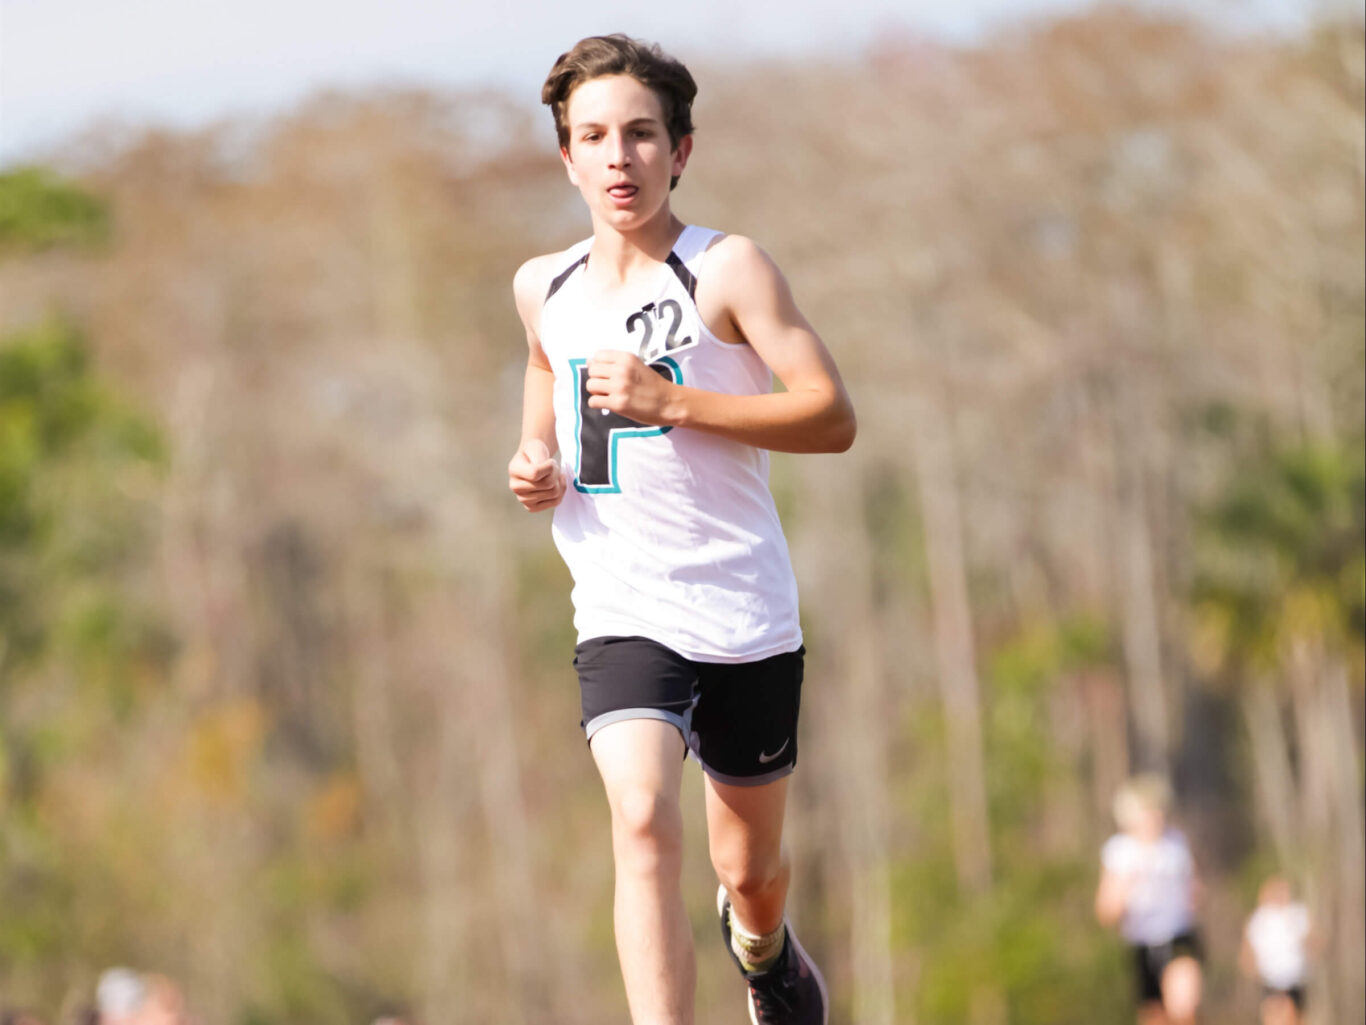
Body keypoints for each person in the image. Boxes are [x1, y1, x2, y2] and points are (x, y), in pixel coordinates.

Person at [507, 33, 855, 1025]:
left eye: (642, 135)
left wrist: (677, 406)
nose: (619, 158)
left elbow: (830, 415)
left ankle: (764, 949)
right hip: (622, 604)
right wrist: (537, 458)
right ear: (566, 157)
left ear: (682, 149)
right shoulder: (545, 284)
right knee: (642, 818)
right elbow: (544, 363)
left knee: (750, 870)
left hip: (742, 607)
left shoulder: (726, 270)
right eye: (594, 138)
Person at [1095, 774, 1205, 1025]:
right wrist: (1123, 890)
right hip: (1142, 942)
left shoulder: (1176, 844)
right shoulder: (1120, 852)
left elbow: (1195, 888)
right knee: (1155, 1017)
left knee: (1184, 1006)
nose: (1155, 817)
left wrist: (1194, 895)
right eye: (1147, 811)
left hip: (1178, 936)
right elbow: (1105, 912)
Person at [1240, 875, 1313, 1025]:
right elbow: (1246, 956)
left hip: (1295, 981)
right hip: (1272, 982)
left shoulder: (1297, 914)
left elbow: (1314, 941)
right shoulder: (1260, 919)